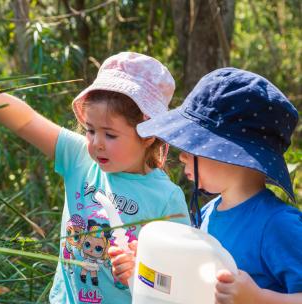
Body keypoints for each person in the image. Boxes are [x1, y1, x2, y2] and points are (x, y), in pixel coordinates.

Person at [0, 52, 191, 304]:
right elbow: (28, 122)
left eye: (110, 135)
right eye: (90, 130)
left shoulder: (166, 198)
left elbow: (180, 278)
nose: (96, 143)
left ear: (148, 134)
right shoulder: (80, 158)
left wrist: (140, 270)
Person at [109, 67, 302, 304]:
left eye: (194, 146)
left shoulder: (278, 225)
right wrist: (144, 268)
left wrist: (259, 298)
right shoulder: (207, 214)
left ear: (235, 155)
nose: (182, 156)